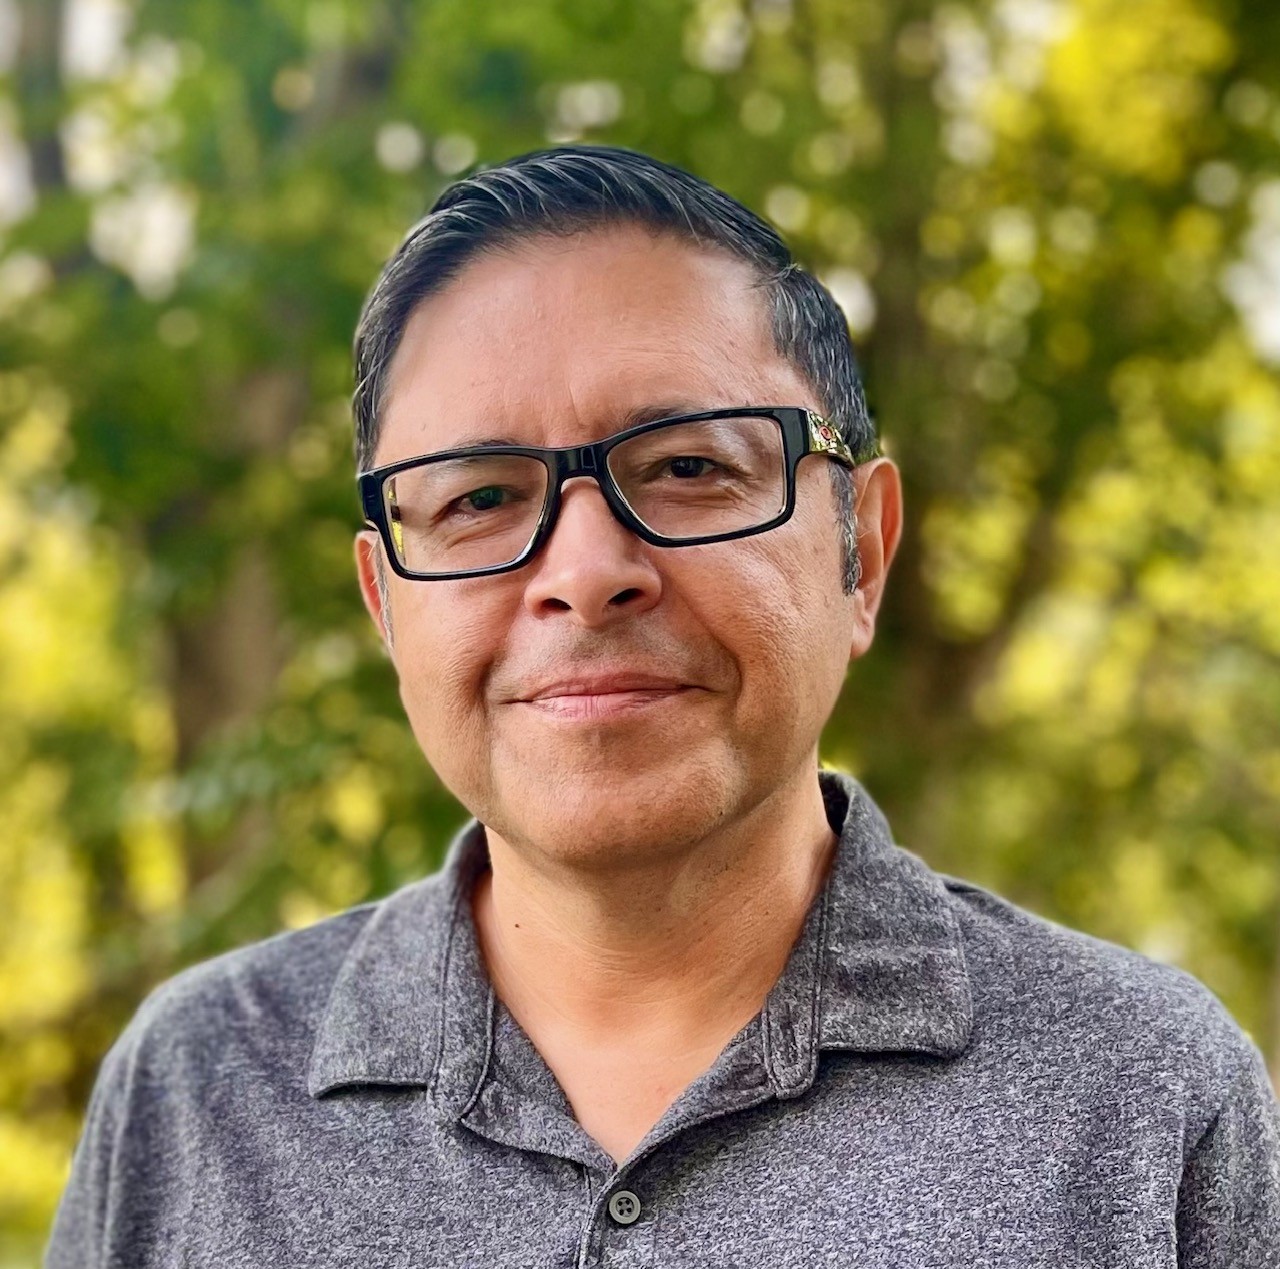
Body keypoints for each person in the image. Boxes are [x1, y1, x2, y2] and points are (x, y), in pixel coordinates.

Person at [47, 146, 1279, 1268]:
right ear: (383, 602)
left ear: (863, 550)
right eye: (477, 497)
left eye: (689, 467)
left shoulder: (1140, 1096)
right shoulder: (197, 1092)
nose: (585, 573)